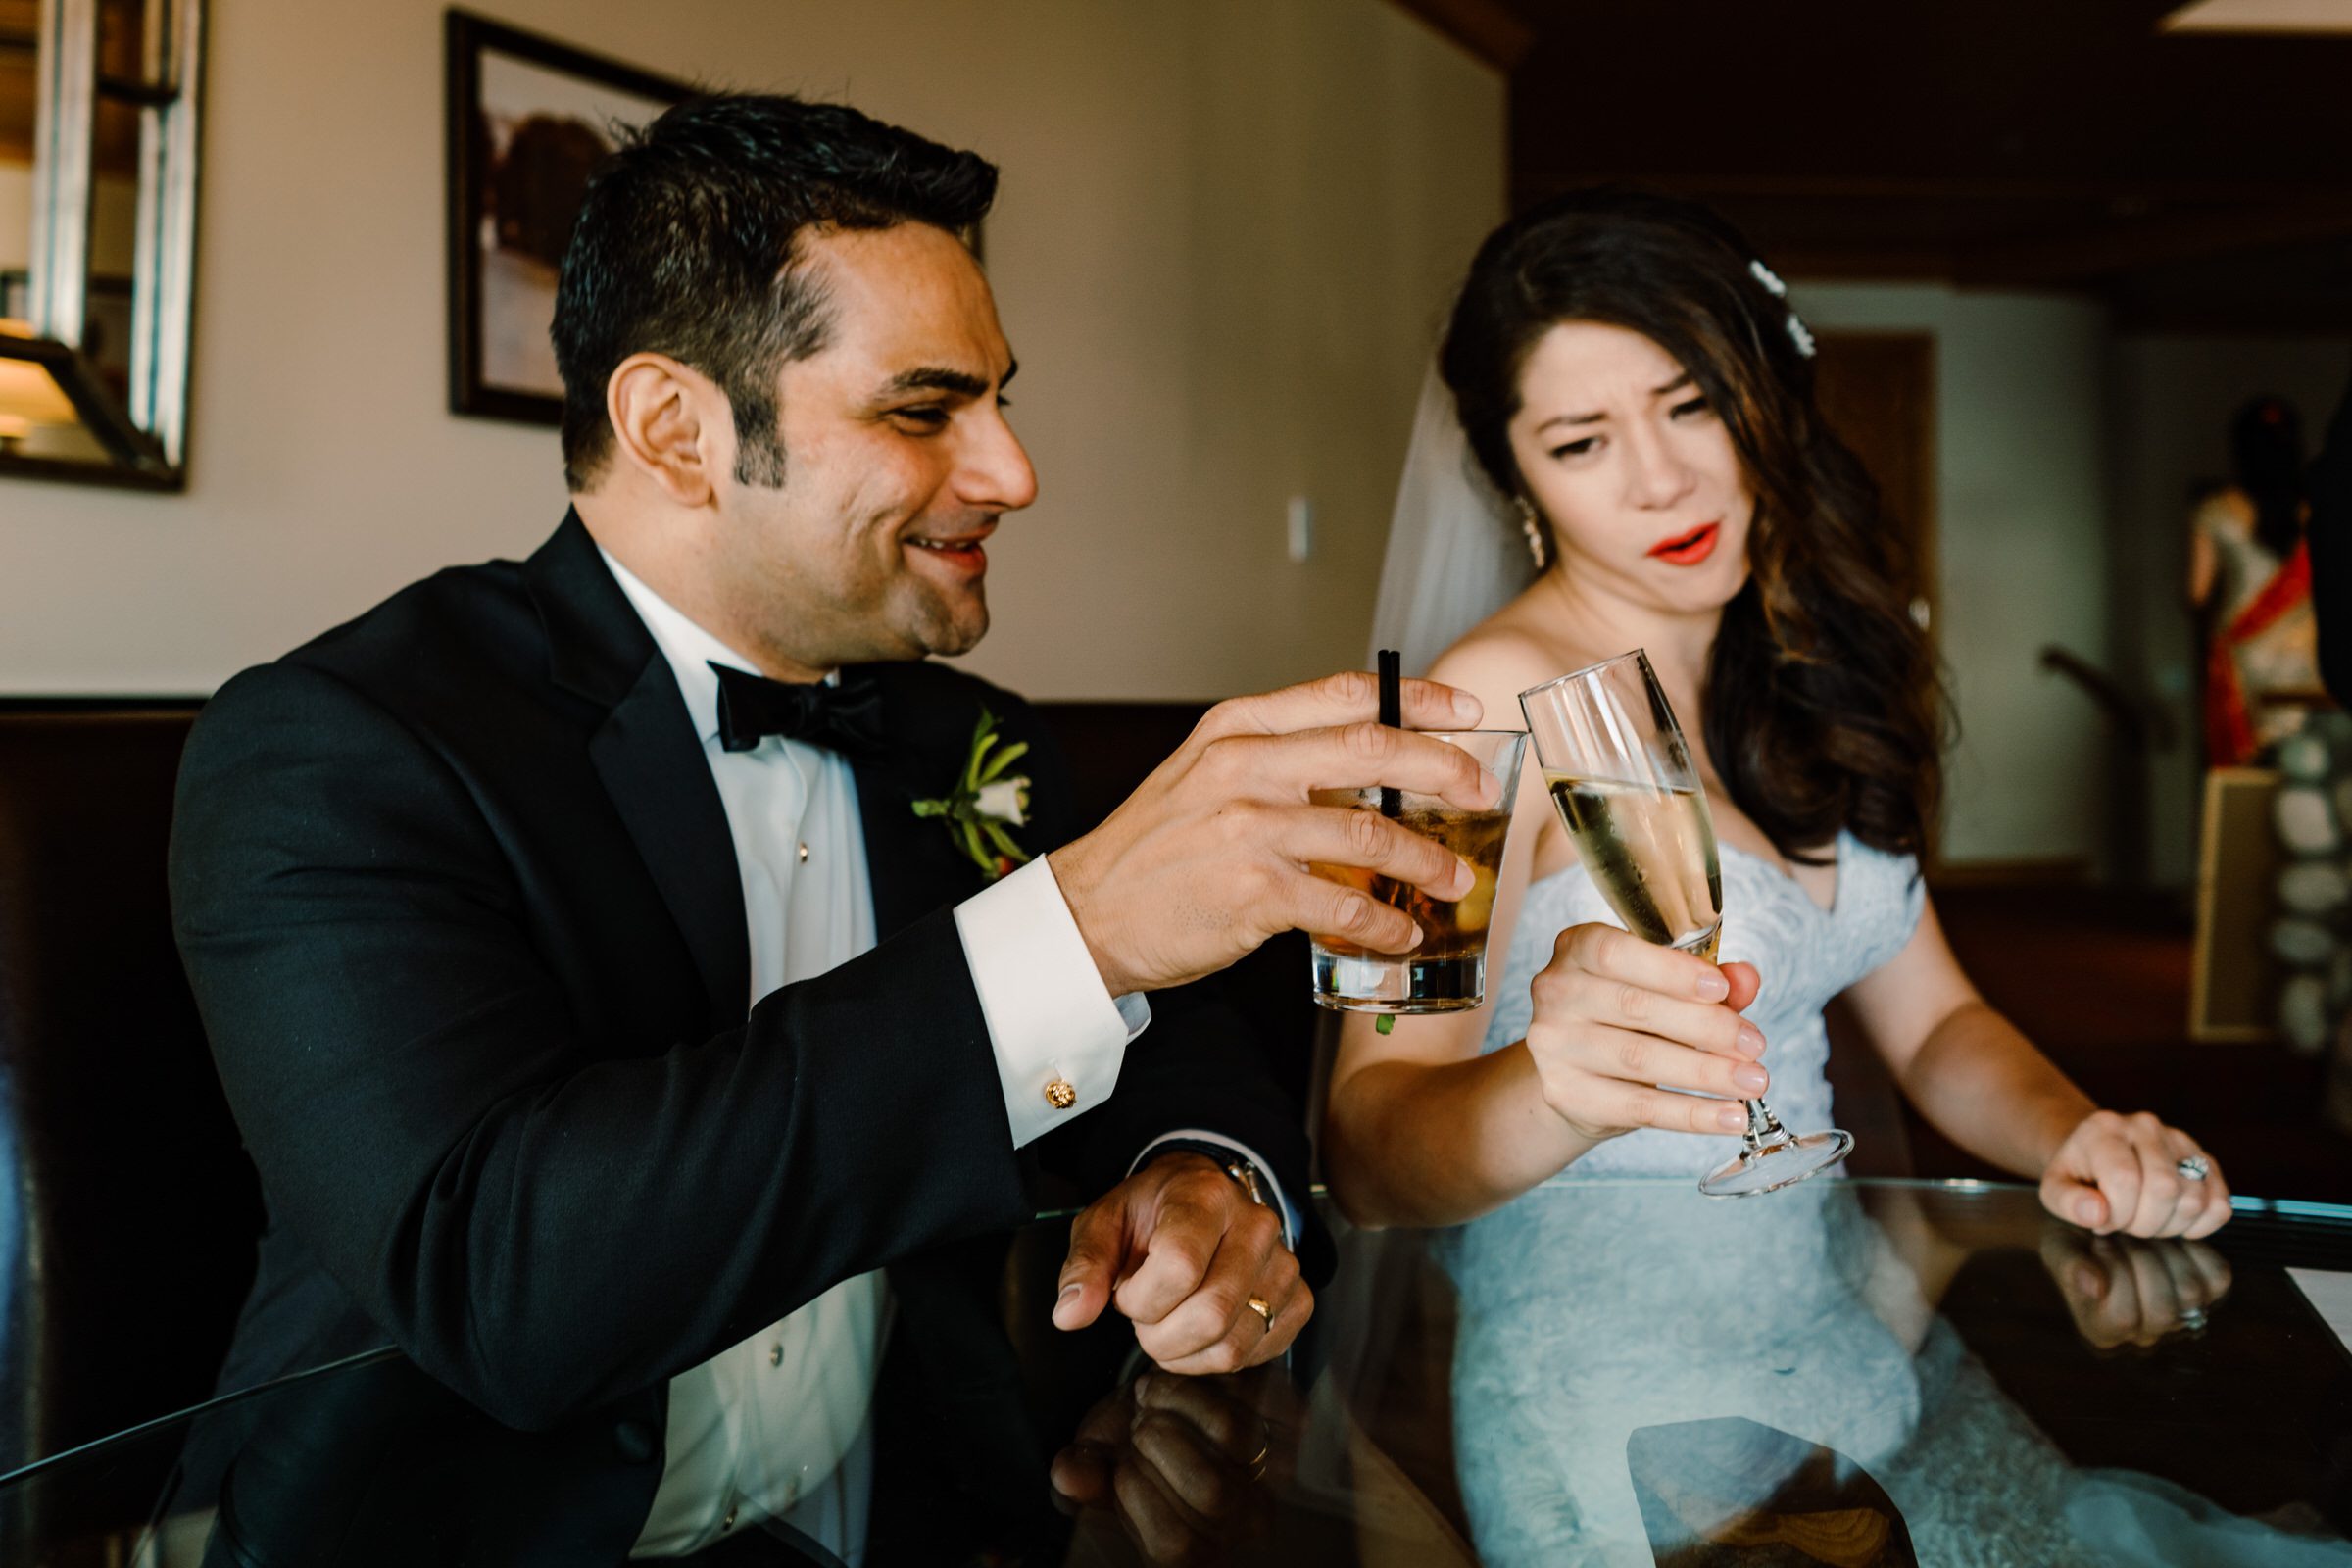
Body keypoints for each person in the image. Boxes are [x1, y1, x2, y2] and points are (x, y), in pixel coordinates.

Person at [169, 95, 1500, 1563]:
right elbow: (509, 1286)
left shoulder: (968, 738)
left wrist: (1209, 1180)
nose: (1013, 472)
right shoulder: (344, 748)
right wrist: (1072, 926)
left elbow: (1173, 1057)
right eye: (925, 410)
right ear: (676, 429)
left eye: (999, 399)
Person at [1322, 187, 2230, 1242]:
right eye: (1582, 443)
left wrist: (2072, 1132)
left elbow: (1936, 1022)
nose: (1662, 479)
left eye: (1692, 402)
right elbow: (1364, 1149)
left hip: (1831, 1310)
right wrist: (1547, 1090)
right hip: (1597, 1371)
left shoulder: (1804, 659)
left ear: (1763, 396)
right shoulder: (1474, 711)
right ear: (1515, 478)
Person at [2189, 394, 2322, 766]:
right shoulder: (2317, 509)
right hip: (2306, 652)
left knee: (2252, 769)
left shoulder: (2214, 510)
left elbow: (2196, 595)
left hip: (2243, 655)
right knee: (2308, 760)